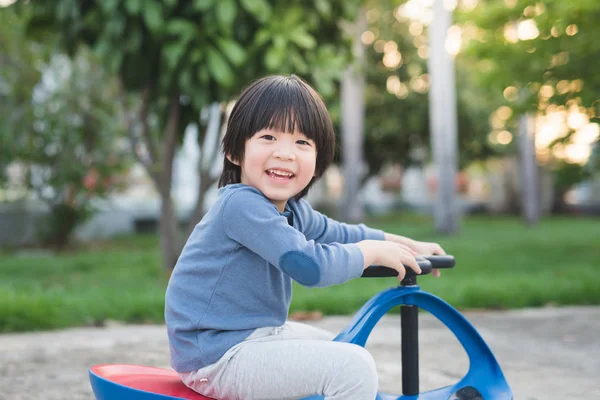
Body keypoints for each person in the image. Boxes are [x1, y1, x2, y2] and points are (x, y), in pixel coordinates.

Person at [165, 74, 446, 400]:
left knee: (340, 347)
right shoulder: (241, 205)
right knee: (351, 367)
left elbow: (340, 233)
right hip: (215, 354)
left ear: (318, 161)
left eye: (302, 142)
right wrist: (369, 253)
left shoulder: (292, 210)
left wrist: (406, 245)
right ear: (234, 151)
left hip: (250, 337)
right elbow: (308, 265)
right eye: (268, 137)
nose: (285, 153)